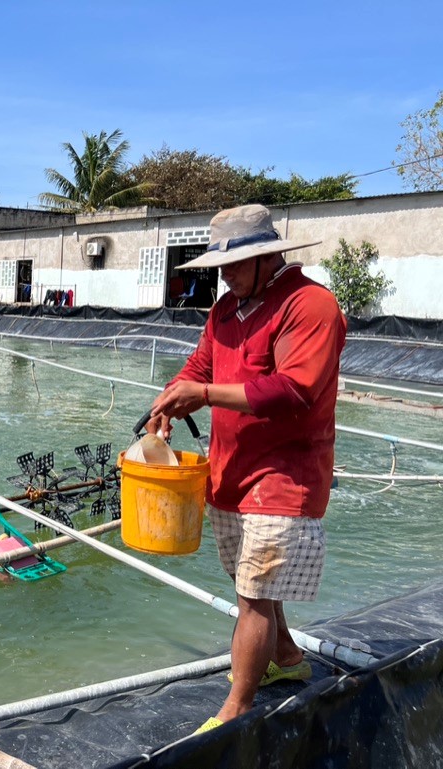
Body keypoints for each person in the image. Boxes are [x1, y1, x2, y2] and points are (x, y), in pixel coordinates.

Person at [147, 204, 346, 735]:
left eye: (237, 264)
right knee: (247, 577)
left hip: (286, 474)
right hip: (231, 470)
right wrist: (166, 404)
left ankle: (237, 708)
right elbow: (200, 366)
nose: (226, 275)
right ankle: (286, 656)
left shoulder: (310, 306)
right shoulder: (226, 309)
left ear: (268, 257)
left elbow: (294, 389)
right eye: (222, 266)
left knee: (253, 593)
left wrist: (205, 394)